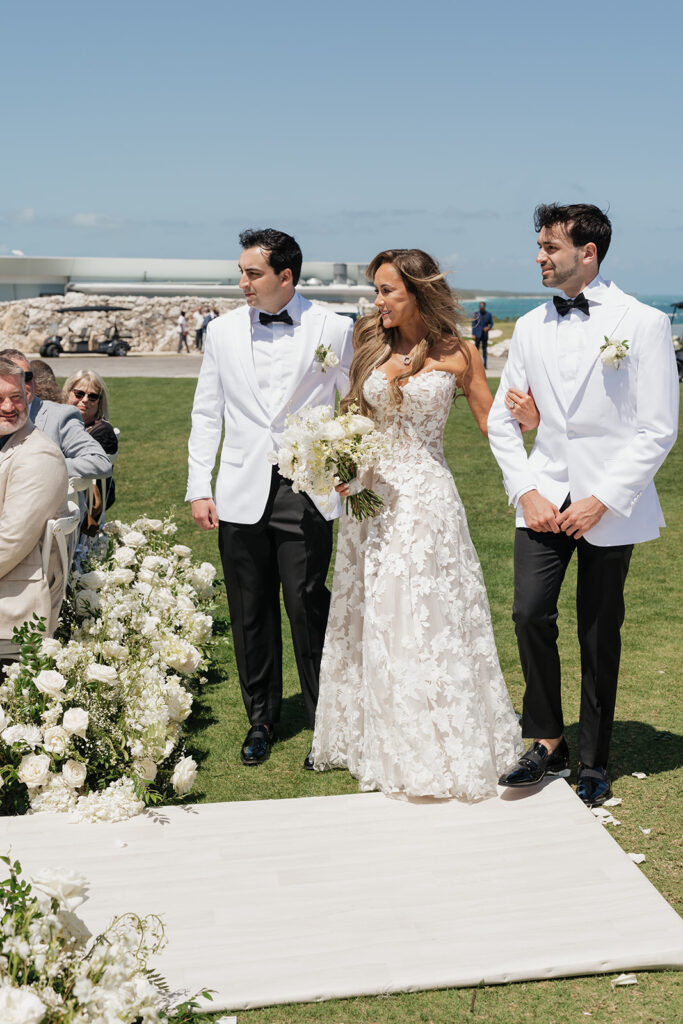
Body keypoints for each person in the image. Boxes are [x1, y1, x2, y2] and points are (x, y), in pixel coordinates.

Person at [312, 249, 528, 800]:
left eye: (387, 291)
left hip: (428, 497)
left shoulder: (459, 350)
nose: (377, 301)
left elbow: (492, 426)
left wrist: (532, 428)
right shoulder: (368, 343)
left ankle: (438, 740)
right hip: (371, 500)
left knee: (424, 610)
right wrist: (338, 463)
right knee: (378, 611)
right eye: (375, 291)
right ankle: (378, 737)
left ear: (416, 292)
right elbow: (351, 419)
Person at [487, 203, 679, 806]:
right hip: (543, 493)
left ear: (587, 252)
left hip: (610, 503)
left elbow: (656, 429)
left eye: (550, 247)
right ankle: (547, 740)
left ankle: (595, 758)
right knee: (528, 614)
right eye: (539, 246)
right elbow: (501, 421)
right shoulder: (531, 327)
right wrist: (527, 489)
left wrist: (603, 499)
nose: (540, 257)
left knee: (600, 631)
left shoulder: (642, 323)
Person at [186, 228, 353, 768]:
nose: (242, 283)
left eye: (252, 273)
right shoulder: (221, 331)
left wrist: (348, 468)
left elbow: (352, 405)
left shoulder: (335, 327)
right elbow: (207, 412)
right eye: (241, 272)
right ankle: (261, 719)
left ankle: (326, 721)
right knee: (248, 609)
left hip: (307, 489)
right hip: (238, 489)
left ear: (286, 276)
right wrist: (198, 486)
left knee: (308, 602)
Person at [0, 357, 68, 641]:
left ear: (28, 394)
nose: (8, 407)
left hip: (13, 604)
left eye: (15, 397)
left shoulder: (39, 455)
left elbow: (9, 543)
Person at [0, 350, 112, 485]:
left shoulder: (60, 416)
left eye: (26, 377)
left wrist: (42, 466)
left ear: (34, 381)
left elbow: (99, 462)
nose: (21, 384)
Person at [63, 369, 118, 512]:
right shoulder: (61, 424)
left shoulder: (103, 432)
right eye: (79, 394)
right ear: (68, 393)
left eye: (92, 396)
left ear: (100, 402)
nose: (85, 400)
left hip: (83, 508)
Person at [471, 300, 494, 368]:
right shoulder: (476, 314)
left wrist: (488, 327)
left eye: (482, 306)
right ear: (479, 306)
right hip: (477, 334)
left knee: (484, 350)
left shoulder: (489, 314)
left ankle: (485, 364)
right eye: (480, 306)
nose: (481, 307)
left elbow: (491, 323)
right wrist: (473, 334)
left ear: (484, 306)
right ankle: (475, 364)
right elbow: (473, 324)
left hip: (485, 335)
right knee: (476, 350)